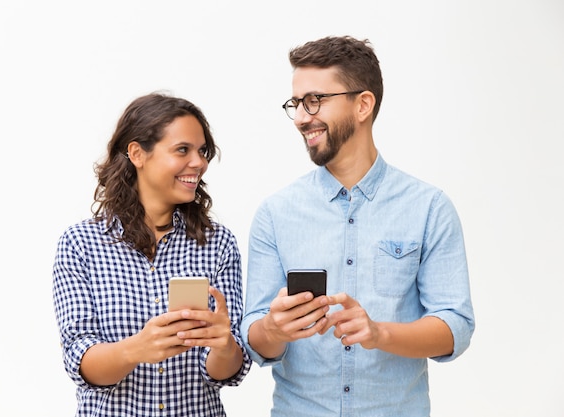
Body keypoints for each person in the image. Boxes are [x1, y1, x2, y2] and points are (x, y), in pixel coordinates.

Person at [241, 36, 475, 417]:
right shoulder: (275, 214)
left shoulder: (429, 207)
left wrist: (380, 333)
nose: (302, 117)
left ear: (363, 104)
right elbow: (254, 339)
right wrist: (273, 328)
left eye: (315, 100)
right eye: (296, 104)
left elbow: (455, 326)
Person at [53, 92, 251, 417]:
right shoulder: (80, 243)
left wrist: (225, 345)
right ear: (137, 153)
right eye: (182, 150)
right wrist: (136, 349)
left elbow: (225, 372)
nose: (199, 162)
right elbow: (80, 361)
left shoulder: (218, 243)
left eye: (202, 151)